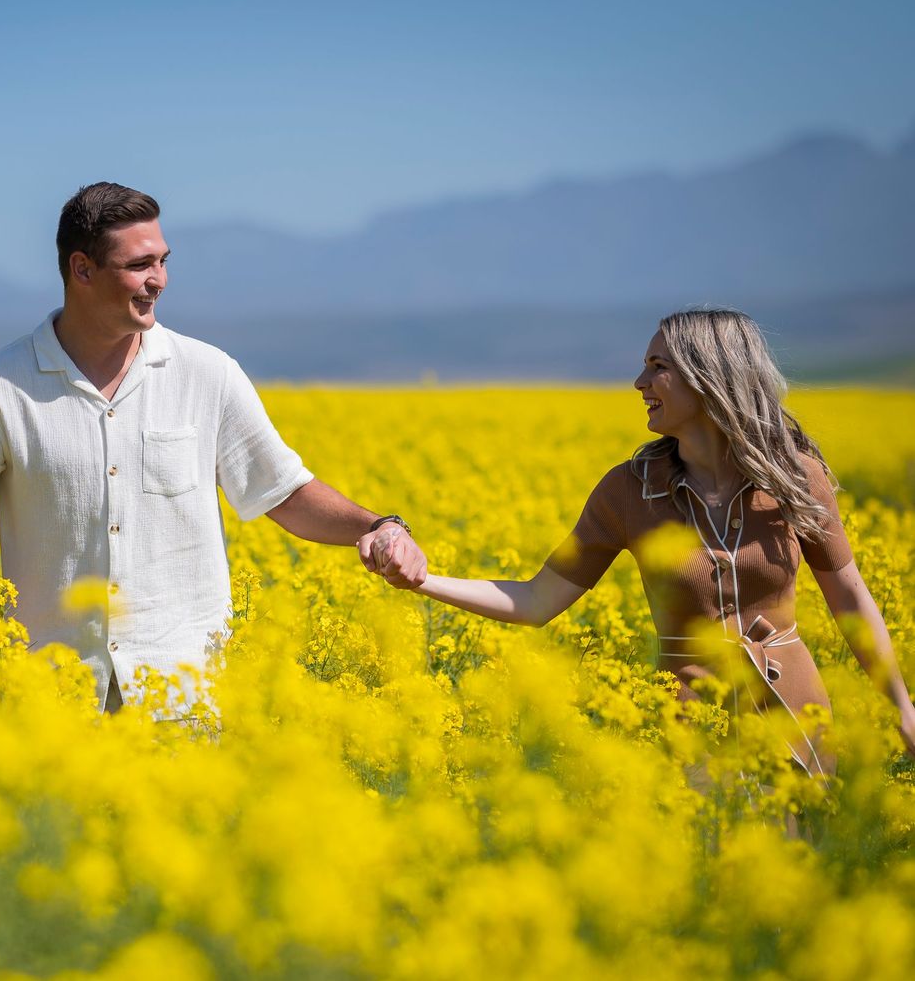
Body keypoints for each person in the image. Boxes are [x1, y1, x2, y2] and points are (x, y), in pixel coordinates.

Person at [0, 182, 426, 712]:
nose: (158, 280)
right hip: (47, 701)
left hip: (185, 701)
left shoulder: (209, 374)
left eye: (163, 261)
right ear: (82, 269)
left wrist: (379, 527)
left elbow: (286, 494)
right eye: (139, 265)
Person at [372, 307, 915, 774]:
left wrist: (902, 708)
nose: (639, 382)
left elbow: (849, 597)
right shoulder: (629, 491)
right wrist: (420, 581)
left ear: (711, 378)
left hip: (796, 715)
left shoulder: (796, 478)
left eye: (659, 368)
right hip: (687, 727)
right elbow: (535, 600)